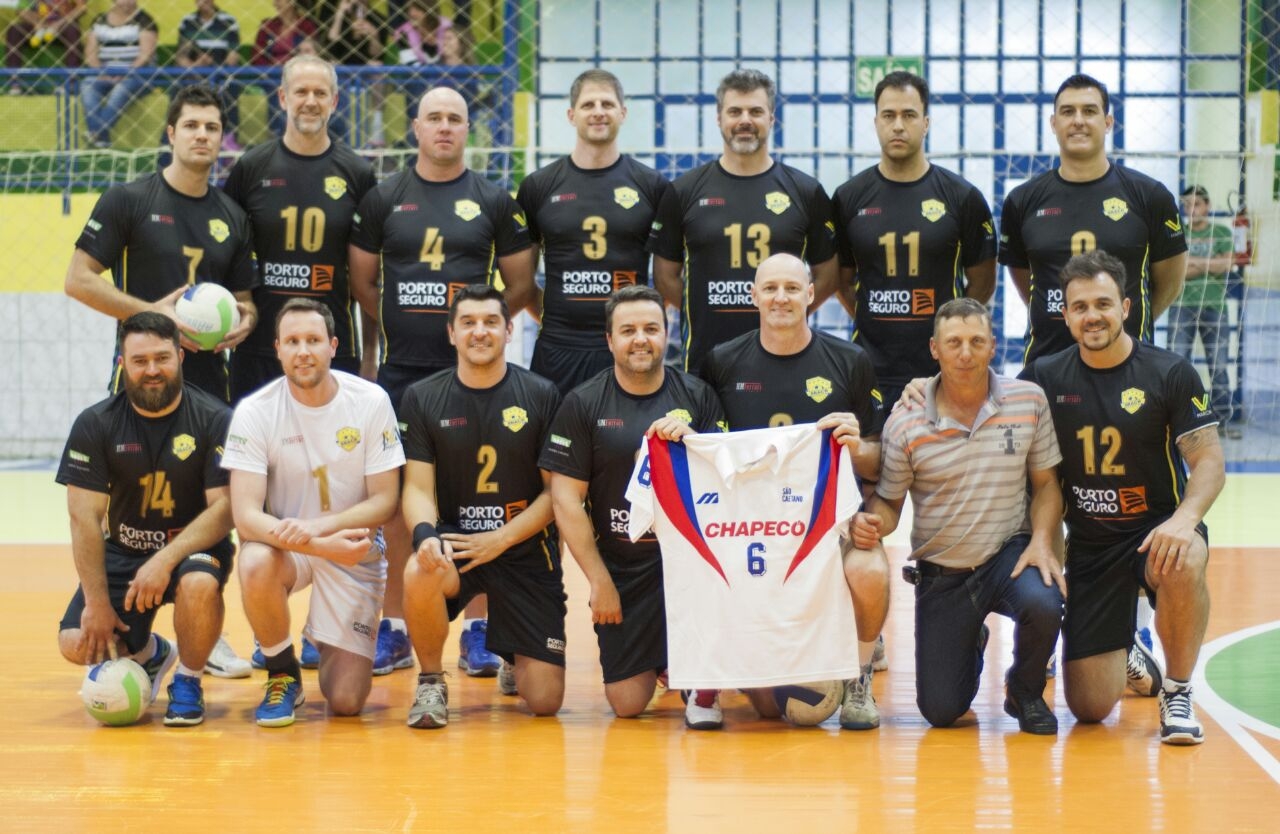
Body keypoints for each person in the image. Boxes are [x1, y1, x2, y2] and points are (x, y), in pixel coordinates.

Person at [349, 85, 533, 679]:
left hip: (475, 379)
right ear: (416, 127)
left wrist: (475, 335)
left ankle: (480, 629)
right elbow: (363, 283)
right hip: (404, 373)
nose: (445, 128)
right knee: (402, 506)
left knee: (476, 499)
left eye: (456, 119)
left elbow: (520, 287)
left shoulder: (493, 200)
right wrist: (386, 345)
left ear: (467, 129)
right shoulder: (384, 198)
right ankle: (397, 627)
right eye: (435, 118)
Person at [1021, 250, 1223, 745]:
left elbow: (1209, 464)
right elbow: (1030, 466)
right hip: (1090, 547)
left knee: (1183, 554)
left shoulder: (1169, 372)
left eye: (1104, 304)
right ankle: (1125, 644)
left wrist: (1185, 519)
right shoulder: (1044, 378)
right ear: (1065, 315)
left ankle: (1176, 691)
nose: (1093, 316)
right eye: (1081, 306)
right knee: (1090, 710)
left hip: (1155, 532)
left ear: (1126, 307)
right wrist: (926, 389)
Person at [854, 297, 1066, 735]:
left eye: (976, 341)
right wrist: (870, 522)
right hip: (943, 572)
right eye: (954, 342)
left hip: (1008, 554)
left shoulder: (1028, 401)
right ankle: (971, 636)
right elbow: (891, 503)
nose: (965, 352)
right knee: (941, 711)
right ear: (935, 349)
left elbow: (1046, 484)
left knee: (1045, 600)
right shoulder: (906, 420)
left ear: (993, 346)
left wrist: (1043, 541)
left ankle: (1024, 691)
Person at [695, 252, 887, 730]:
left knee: (870, 571)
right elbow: (703, 452)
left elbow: (880, 456)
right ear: (754, 296)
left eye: (792, 288)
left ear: (811, 295)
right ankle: (710, 676)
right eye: (771, 288)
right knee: (768, 709)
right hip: (748, 529)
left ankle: (858, 677)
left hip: (828, 526)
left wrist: (856, 445)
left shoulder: (849, 360)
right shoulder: (721, 362)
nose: (781, 297)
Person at [539, 284, 726, 718]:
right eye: (628, 330)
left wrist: (698, 446)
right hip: (624, 569)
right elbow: (565, 500)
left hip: (690, 565)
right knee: (626, 704)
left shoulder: (697, 396)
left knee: (763, 703)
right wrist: (599, 581)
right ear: (610, 340)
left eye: (651, 328)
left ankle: (693, 669)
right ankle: (667, 660)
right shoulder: (583, 403)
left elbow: (726, 483)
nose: (640, 339)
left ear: (666, 333)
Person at [222, 298, 403, 727]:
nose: (303, 350)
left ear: (333, 345)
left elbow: (385, 501)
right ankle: (282, 671)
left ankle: (321, 633)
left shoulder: (370, 401)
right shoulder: (255, 410)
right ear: (278, 349)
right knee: (254, 560)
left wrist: (323, 531)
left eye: (313, 340)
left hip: (354, 546)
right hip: (294, 547)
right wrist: (319, 543)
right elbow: (245, 516)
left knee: (345, 701)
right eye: (293, 341)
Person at [55, 312, 236, 726]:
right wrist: (97, 604)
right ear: (122, 363)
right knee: (74, 642)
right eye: (139, 361)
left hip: (194, 549)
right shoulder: (95, 423)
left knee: (198, 583)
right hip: (124, 549)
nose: (152, 370)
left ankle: (188, 681)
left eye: (162, 358)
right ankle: (151, 654)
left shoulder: (213, 419)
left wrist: (165, 559)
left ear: (180, 358)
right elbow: (84, 519)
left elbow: (224, 509)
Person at [399, 285, 565, 727]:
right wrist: (425, 536)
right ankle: (431, 679)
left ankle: (514, 651)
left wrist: (501, 539)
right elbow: (416, 487)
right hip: (457, 545)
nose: (480, 331)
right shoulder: (422, 397)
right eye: (468, 322)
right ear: (451, 332)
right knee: (419, 569)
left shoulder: (542, 394)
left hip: (525, 547)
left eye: (491, 322)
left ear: (510, 331)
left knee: (544, 700)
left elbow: (557, 496)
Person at [66, 83, 258, 404]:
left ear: (221, 137)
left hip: (210, 387)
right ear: (171, 134)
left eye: (212, 128)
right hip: (142, 379)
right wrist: (154, 315)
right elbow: (77, 280)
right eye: (191, 126)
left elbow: (244, 300)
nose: (202, 135)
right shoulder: (127, 200)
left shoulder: (234, 217)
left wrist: (247, 320)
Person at [648, 68, 837, 374]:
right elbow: (665, 276)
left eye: (756, 111)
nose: (745, 120)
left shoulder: (805, 191)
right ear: (719, 119)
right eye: (735, 111)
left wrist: (784, 311)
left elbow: (827, 277)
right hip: (704, 362)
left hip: (786, 359)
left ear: (771, 119)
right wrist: (700, 308)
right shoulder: (682, 191)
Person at [832, 71, 996, 406]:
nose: (898, 126)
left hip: (942, 369)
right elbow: (842, 281)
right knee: (871, 455)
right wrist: (873, 320)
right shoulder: (849, 197)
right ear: (876, 121)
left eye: (908, 115)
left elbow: (982, 282)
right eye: (888, 116)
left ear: (926, 123)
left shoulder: (962, 197)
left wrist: (949, 332)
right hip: (871, 366)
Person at [1001, 73, 1187, 364]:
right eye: (1067, 112)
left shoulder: (1150, 196)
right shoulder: (1022, 200)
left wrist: (1128, 317)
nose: (1078, 120)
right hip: (1046, 366)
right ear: (1053, 123)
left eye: (1089, 111)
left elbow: (1170, 282)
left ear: (1108, 122)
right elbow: (1027, 280)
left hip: (1131, 370)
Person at [224, 54, 377, 403]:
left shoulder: (358, 174)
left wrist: (370, 355)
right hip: (258, 349)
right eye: (301, 92)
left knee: (331, 457)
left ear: (334, 101)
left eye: (321, 93)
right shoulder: (250, 168)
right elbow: (226, 257)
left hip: (333, 351)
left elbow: (369, 275)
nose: (311, 101)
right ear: (282, 97)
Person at [514, 68, 670, 394]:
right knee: (554, 443)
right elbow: (523, 285)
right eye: (588, 105)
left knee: (627, 444)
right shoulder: (538, 187)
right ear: (571, 115)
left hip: (626, 350)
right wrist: (561, 318)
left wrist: (634, 326)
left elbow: (667, 280)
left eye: (607, 104)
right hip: (558, 346)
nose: (598, 111)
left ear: (622, 113)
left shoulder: (652, 185)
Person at [1169, 184, 1238, 438]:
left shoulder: (1221, 231)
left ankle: (1222, 422)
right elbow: (1177, 271)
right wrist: (1209, 264)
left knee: (1218, 365)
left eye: (1196, 203)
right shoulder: (1178, 233)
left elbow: (1226, 265)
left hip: (1214, 307)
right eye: (1186, 204)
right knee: (1178, 362)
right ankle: (1181, 422)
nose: (1191, 209)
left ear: (1207, 206)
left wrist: (1194, 263)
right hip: (1181, 306)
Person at [80, 0, 157, 148]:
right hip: (104, 73)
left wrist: (124, 73)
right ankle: (102, 140)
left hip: (137, 75)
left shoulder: (144, 20)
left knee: (121, 89)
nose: (129, 1)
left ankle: (96, 134)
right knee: (87, 85)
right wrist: (101, 73)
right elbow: (90, 54)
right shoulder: (99, 21)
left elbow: (145, 55)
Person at [174, 0, 244, 151]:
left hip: (222, 76)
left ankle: (228, 144)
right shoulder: (188, 21)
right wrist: (197, 65)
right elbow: (181, 57)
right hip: (194, 75)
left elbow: (233, 58)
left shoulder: (228, 21)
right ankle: (172, 147)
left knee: (230, 92)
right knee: (176, 92)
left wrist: (215, 66)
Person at [322, 0, 386, 147]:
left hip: (365, 69)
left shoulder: (378, 19)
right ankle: (336, 128)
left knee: (377, 68)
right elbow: (330, 45)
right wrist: (339, 15)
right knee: (332, 66)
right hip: (341, 66)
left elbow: (377, 55)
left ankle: (377, 123)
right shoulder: (334, 15)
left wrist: (373, 35)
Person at [5, 0, 86, 86]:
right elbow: (21, 10)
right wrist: (36, 22)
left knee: (72, 29)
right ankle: (15, 82)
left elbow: (82, 8)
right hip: (38, 27)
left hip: (63, 25)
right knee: (14, 30)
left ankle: (71, 82)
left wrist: (58, 24)